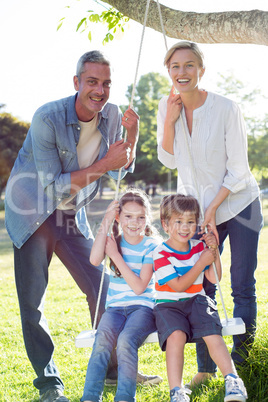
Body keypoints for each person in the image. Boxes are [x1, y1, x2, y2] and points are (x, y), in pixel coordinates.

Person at [4, 50, 141, 402]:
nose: (100, 90)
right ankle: (50, 385)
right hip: (32, 212)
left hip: (69, 215)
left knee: (103, 290)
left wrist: (134, 136)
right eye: (92, 81)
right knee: (32, 304)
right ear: (77, 82)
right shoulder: (47, 117)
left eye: (106, 83)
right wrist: (107, 161)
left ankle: (112, 369)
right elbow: (53, 186)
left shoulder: (111, 116)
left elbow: (118, 169)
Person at [157, 40, 263, 386]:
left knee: (241, 282)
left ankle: (242, 359)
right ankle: (206, 368)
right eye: (175, 66)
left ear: (201, 70)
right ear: (168, 71)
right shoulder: (166, 105)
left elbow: (238, 169)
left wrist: (211, 212)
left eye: (189, 65)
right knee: (202, 286)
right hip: (198, 211)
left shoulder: (226, 108)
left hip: (238, 203)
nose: (181, 72)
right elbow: (168, 159)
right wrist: (171, 122)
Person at [153, 194, 248, 402]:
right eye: (178, 221)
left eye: (190, 222)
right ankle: (177, 391)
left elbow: (214, 277)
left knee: (212, 333)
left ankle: (233, 380)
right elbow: (178, 286)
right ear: (165, 225)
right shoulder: (160, 254)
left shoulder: (199, 248)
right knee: (175, 336)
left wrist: (213, 250)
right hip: (169, 306)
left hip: (197, 300)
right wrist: (200, 262)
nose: (185, 227)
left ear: (196, 224)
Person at [81, 189, 161, 402]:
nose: (135, 222)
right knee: (102, 340)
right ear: (119, 217)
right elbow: (94, 260)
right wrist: (107, 221)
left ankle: (125, 397)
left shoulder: (152, 245)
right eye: (128, 216)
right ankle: (89, 397)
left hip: (143, 308)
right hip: (115, 308)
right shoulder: (112, 239)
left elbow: (138, 288)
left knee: (126, 340)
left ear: (147, 218)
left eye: (141, 217)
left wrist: (115, 255)